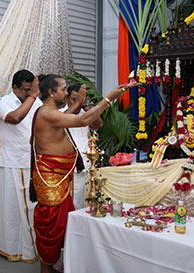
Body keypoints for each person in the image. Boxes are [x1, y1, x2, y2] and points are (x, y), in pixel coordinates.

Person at [30, 74, 130, 273]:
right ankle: (45, 268)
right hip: (50, 177)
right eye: (63, 89)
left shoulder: (52, 111)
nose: (66, 92)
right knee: (51, 223)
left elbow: (79, 116)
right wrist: (110, 97)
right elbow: (84, 120)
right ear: (52, 92)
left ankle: (55, 264)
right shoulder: (46, 113)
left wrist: (79, 103)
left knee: (63, 222)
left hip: (61, 176)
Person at [0, 69, 42, 262]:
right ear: (14, 87)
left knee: (30, 208)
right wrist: (34, 96)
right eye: (25, 90)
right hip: (12, 161)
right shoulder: (3, 103)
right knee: (10, 209)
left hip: (31, 160)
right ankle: (9, 246)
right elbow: (14, 118)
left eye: (31, 90)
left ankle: (30, 246)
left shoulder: (36, 102)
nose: (29, 94)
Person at [60, 84, 103, 209]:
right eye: (74, 99)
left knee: (85, 204)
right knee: (71, 206)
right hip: (69, 167)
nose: (77, 102)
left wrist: (84, 106)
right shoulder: (60, 113)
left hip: (86, 166)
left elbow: (98, 124)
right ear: (67, 98)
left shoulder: (86, 113)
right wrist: (77, 104)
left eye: (81, 99)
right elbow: (63, 121)